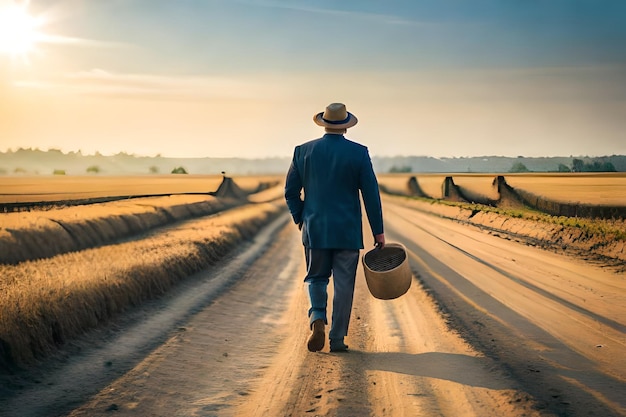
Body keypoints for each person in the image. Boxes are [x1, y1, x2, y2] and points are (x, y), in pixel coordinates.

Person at [284, 102, 385, 352]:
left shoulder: (302, 151)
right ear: (346, 127)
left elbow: (290, 192)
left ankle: (317, 317)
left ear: (324, 123)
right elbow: (371, 195)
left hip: (315, 228)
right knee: (344, 285)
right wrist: (378, 232)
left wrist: (301, 218)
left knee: (316, 278)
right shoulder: (359, 153)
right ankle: (337, 339)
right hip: (347, 232)